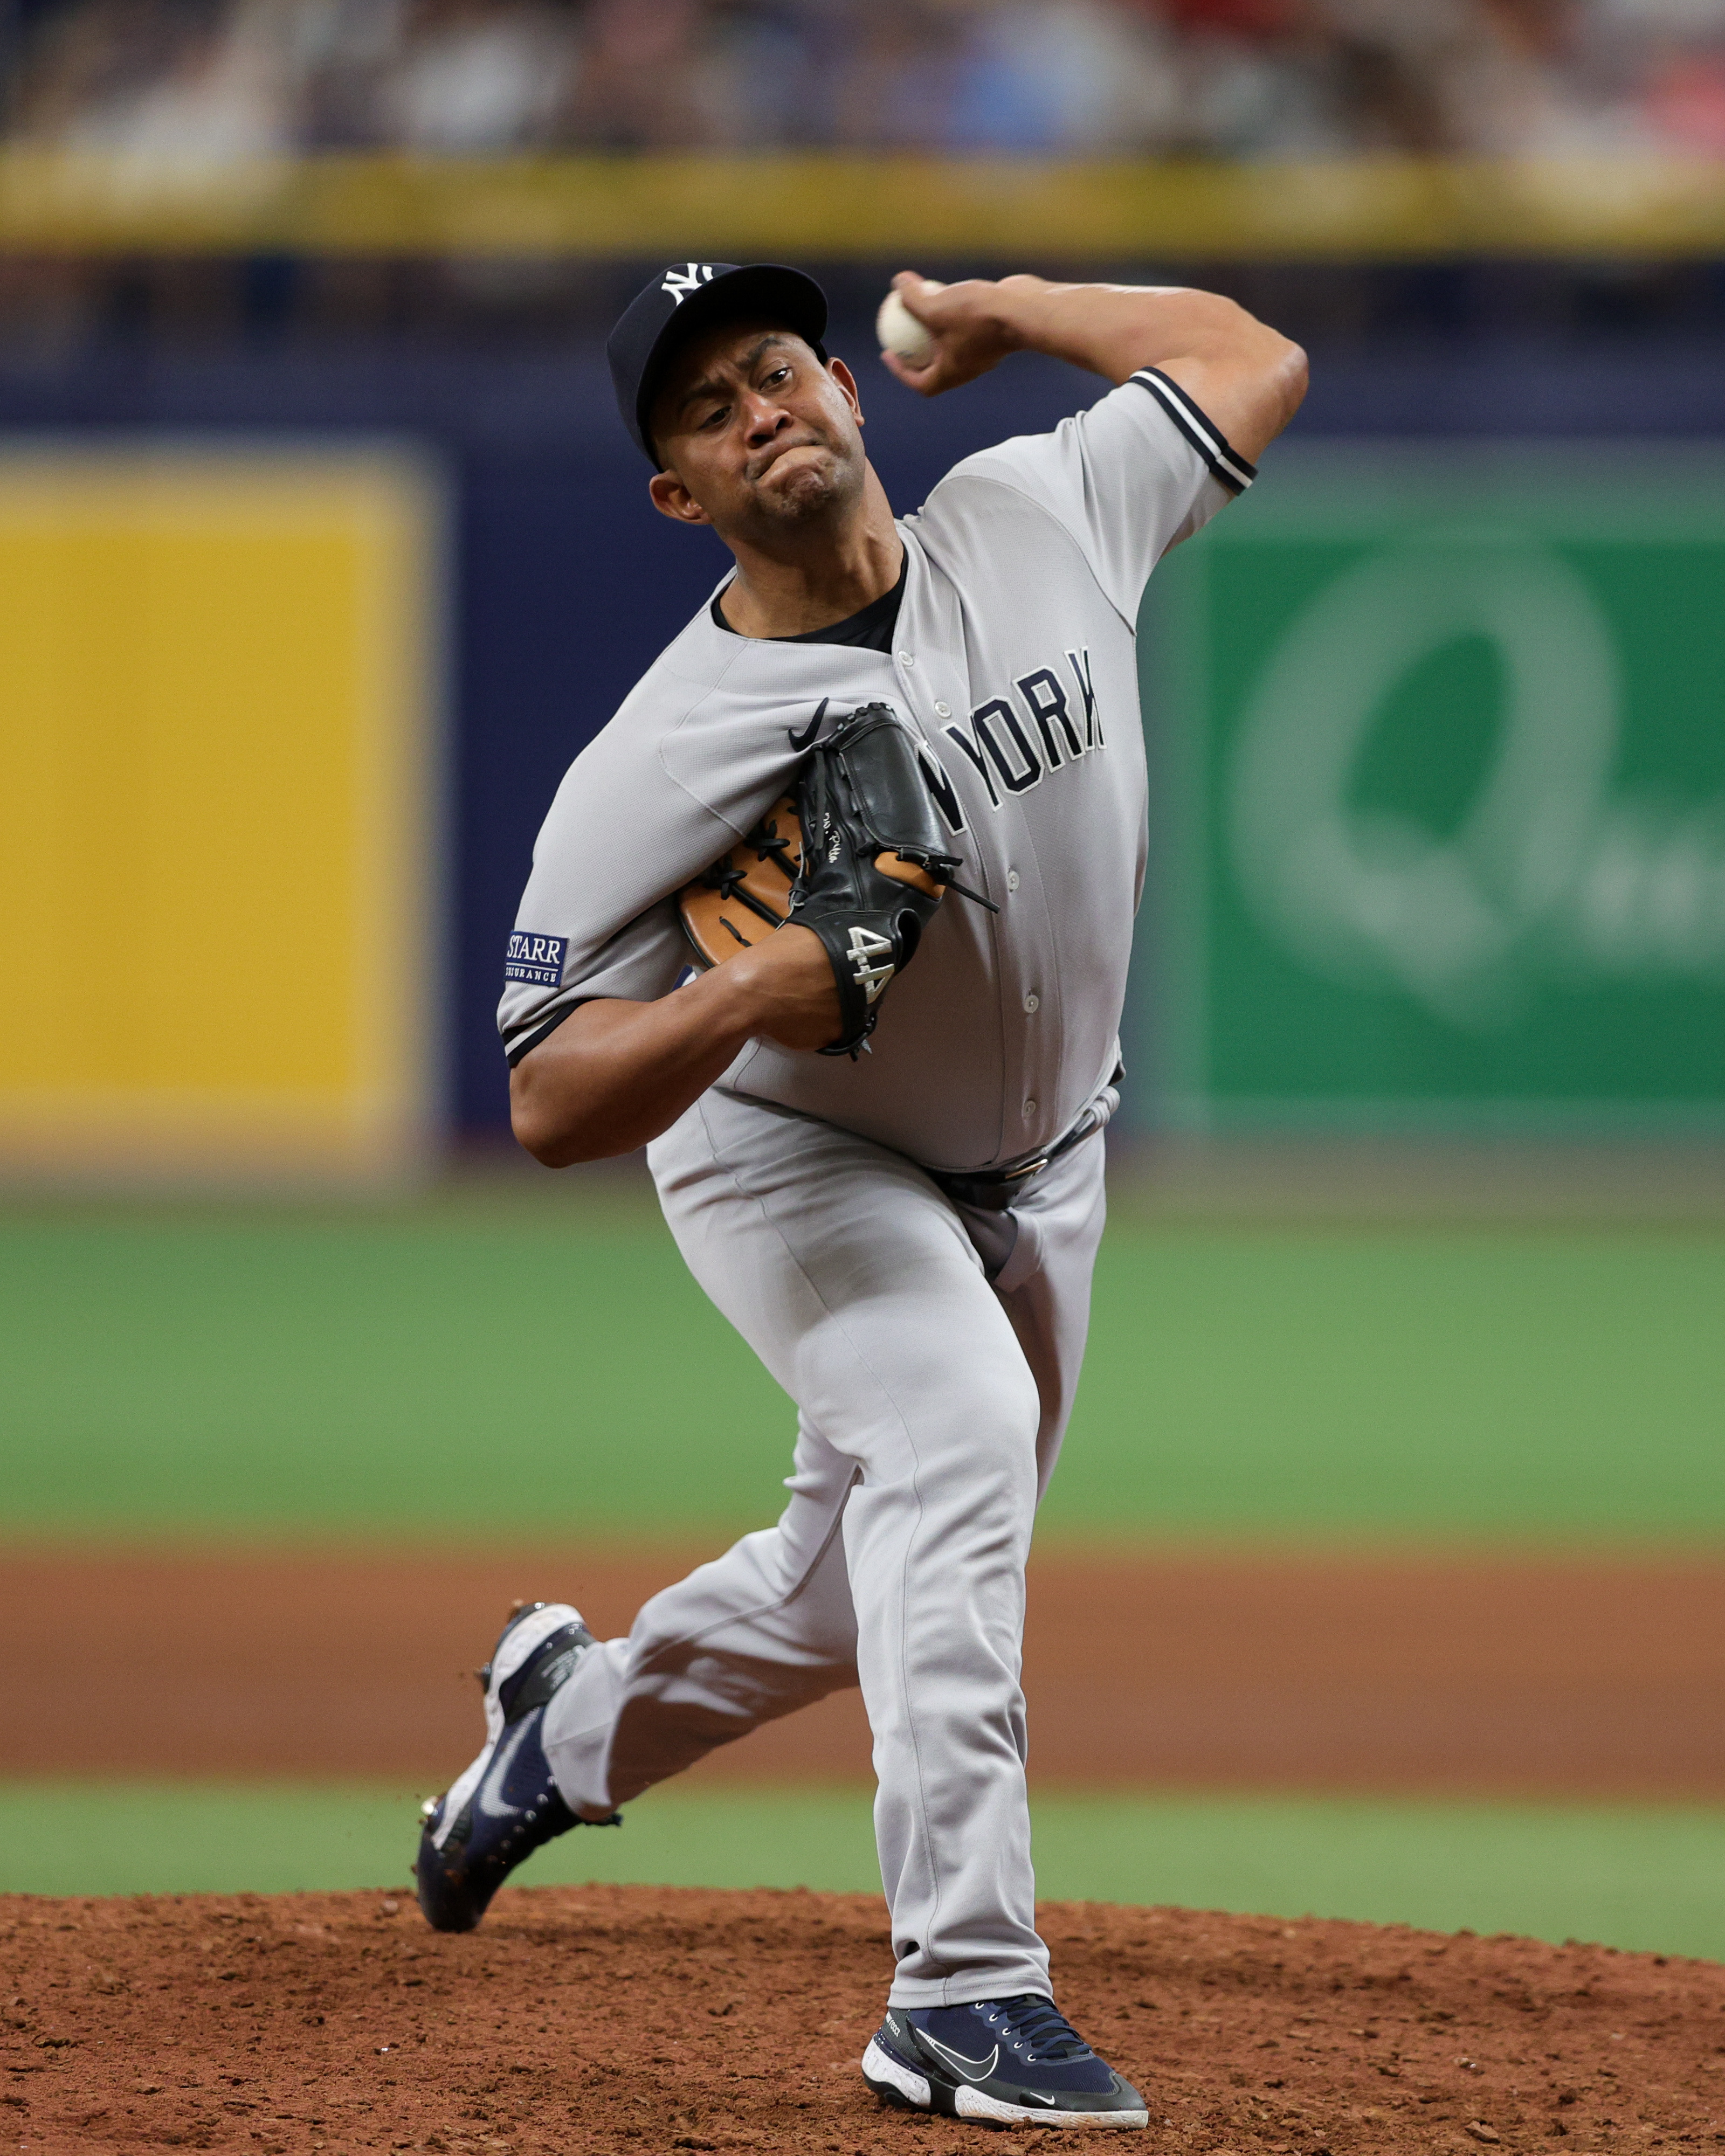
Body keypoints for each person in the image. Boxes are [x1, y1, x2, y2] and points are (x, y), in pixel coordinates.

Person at [415, 259, 1306, 2129]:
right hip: (792, 1151)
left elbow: (1254, 361)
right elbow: (546, 1096)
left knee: (850, 1597)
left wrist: (1017, 302)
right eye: (707, 412)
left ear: (844, 386)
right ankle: (965, 1989)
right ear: (683, 495)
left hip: (1050, 1156)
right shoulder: (664, 747)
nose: (758, 412)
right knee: (960, 1436)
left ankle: (561, 1730)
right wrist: (747, 985)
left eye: (774, 371)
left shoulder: (1042, 511)